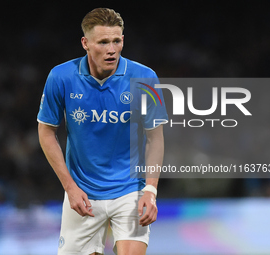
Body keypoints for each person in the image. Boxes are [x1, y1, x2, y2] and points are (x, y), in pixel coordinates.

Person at [37, 8, 167, 255]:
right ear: (85, 43)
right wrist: (70, 188)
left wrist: (150, 190)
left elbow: (155, 138)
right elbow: (46, 132)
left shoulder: (145, 77)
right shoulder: (61, 76)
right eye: (103, 42)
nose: (112, 49)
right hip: (82, 192)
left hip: (130, 189)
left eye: (117, 41)